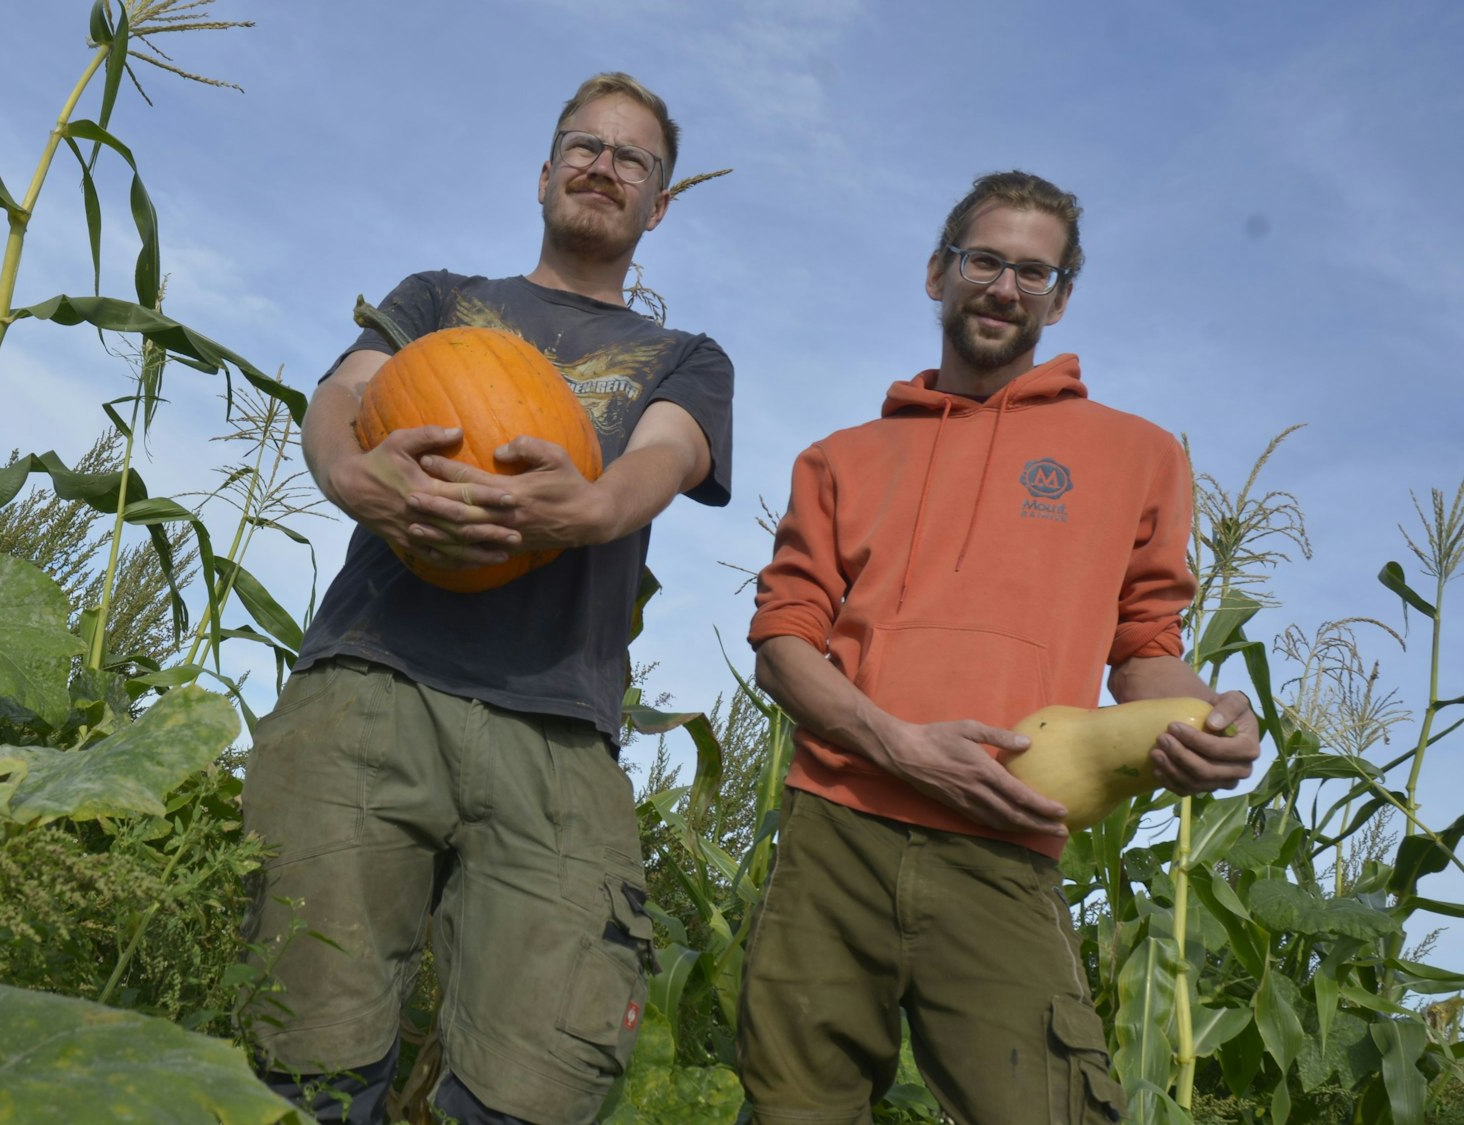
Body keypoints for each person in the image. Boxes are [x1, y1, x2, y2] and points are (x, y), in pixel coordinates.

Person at [239, 72, 734, 1125]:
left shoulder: (684, 358)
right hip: (370, 684)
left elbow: (668, 457)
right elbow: (340, 396)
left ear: (660, 201)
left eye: (630, 157)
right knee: (306, 1062)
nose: (602, 165)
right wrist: (346, 474)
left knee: (538, 1086)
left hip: (553, 728)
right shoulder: (436, 299)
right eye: (582, 144)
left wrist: (588, 513)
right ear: (545, 169)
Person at [736, 171, 1261, 1124]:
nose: (1003, 287)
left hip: (1005, 839)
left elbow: (1145, 645)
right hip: (835, 832)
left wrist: (1208, 716)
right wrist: (897, 743)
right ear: (938, 272)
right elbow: (782, 640)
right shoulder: (839, 457)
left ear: (1060, 297)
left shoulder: (1138, 455)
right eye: (984, 260)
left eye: (1032, 270)